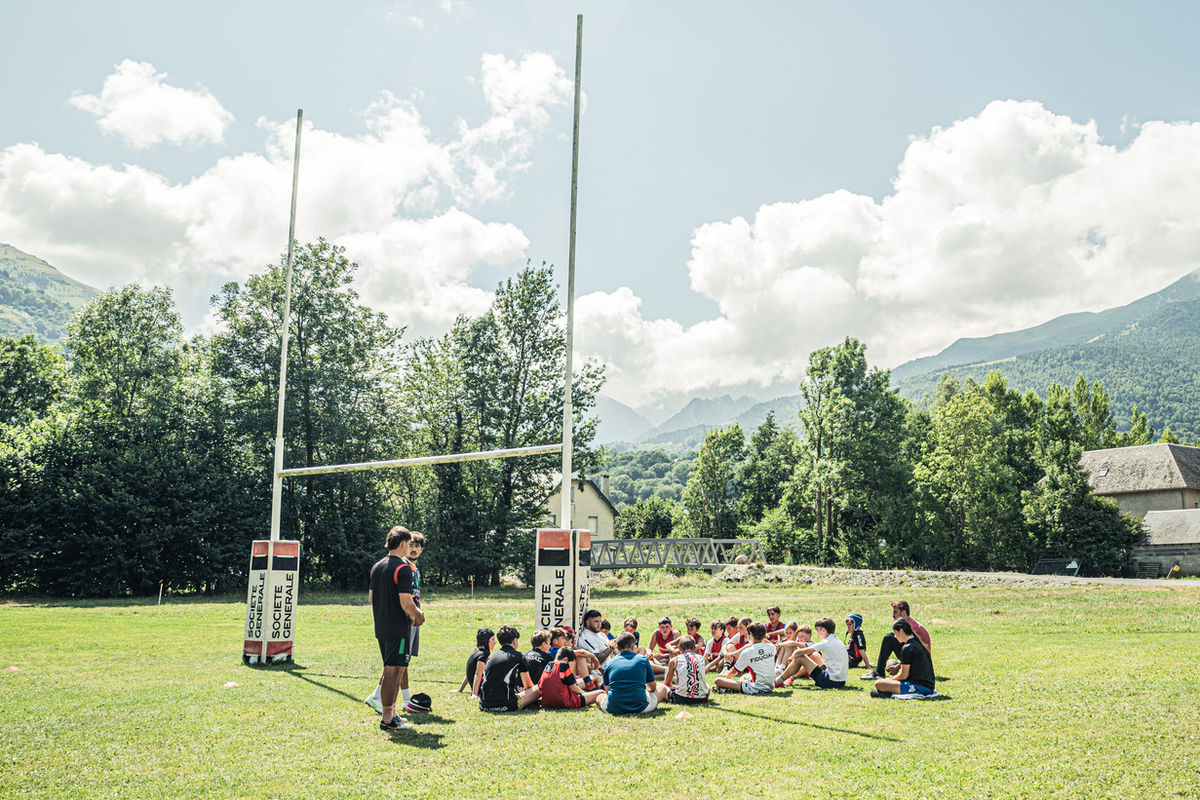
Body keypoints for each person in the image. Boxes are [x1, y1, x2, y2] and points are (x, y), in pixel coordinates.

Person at [365, 530, 426, 714]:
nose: (411, 548)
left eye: (416, 545)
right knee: (395, 669)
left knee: (394, 666)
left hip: (382, 625)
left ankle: (390, 711)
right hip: (399, 625)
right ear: (402, 544)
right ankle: (389, 715)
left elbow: (371, 598)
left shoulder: (377, 566)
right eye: (410, 544)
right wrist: (418, 615)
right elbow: (406, 603)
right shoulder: (402, 567)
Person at [860, 601, 933, 680]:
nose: (893, 615)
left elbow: (913, 652)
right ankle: (879, 671)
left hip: (919, 664)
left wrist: (898, 666)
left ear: (904, 613)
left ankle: (879, 672)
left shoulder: (911, 627)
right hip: (919, 662)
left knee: (889, 638)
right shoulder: (909, 624)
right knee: (890, 637)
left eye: (895, 612)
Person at [599, 632, 668, 714]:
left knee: (599, 696)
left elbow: (607, 690)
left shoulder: (609, 663)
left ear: (617, 647)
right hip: (640, 707)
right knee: (662, 688)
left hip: (614, 707)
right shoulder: (643, 659)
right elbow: (652, 688)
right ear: (633, 646)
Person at [477, 625, 540, 712]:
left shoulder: (491, 656)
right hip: (506, 705)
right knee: (539, 687)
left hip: (484, 705)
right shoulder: (518, 656)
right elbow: (528, 685)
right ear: (515, 641)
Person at [872, 618, 936, 698]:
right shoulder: (916, 643)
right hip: (928, 686)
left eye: (895, 633)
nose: (895, 636)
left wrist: (888, 680)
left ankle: (887, 694)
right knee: (885, 682)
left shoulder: (907, 648)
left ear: (901, 631)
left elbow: (903, 676)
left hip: (920, 688)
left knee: (878, 683)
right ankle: (885, 694)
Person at [780, 617, 849, 690]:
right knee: (813, 654)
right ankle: (789, 678)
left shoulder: (825, 642)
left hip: (830, 681)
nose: (817, 633)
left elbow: (799, 652)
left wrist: (792, 658)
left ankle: (779, 681)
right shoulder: (838, 641)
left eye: (817, 630)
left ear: (824, 630)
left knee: (800, 657)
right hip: (841, 682)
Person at [713, 622, 775, 695]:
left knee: (718, 681)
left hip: (755, 688)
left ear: (750, 634)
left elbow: (734, 672)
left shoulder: (747, 652)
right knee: (745, 676)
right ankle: (734, 688)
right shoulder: (771, 647)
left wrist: (725, 681)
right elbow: (768, 644)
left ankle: (730, 688)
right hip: (770, 686)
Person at [538, 648, 605, 709]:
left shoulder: (548, 665)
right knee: (601, 692)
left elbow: (541, 685)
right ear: (566, 659)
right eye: (572, 664)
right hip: (565, 702)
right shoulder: (563, 664)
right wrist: (584, 694)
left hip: (547, 703)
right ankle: (607, 706)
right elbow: (573, 687)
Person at [663, 635, 710, 704]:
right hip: (702, 699)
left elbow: (667, 683)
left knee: (662, 687)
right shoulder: (701, 658)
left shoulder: (675, 660)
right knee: (708, 686)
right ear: (694, 648)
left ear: (679, 648)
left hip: (681, 699)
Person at [458, 627, 495, 694]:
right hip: (482, 690)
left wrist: (460, 689)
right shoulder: (484, 655)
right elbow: (478, 673)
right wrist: (474, 694)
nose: (495, 643)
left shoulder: (476, 652)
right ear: (486, 641)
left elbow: (469, 674)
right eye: (492, 640)